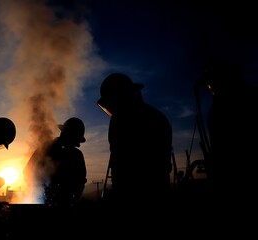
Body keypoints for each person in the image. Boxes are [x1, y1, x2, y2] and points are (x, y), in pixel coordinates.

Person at [97, 73, 173, 206]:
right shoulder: (157, 116)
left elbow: (121, 165)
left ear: (119, 97)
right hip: (160, 193)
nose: (110, 110)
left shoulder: (121, 119)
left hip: (133, 197)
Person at [197, 58, 258, 208]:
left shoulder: (245, 101)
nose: (209, 88)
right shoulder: (217, 108)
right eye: (207, 84)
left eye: (211, 82)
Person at [24, 117, 88, 208]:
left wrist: (71, 199)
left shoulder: (77, 155)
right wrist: (39, 191)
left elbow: (81, 181)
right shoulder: (45, 149)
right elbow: (28, 172)